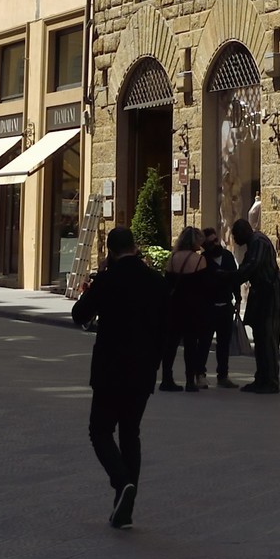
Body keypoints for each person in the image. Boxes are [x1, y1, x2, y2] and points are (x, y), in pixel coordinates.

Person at [72, 226, 167, 529]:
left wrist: (92, 284)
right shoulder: (155, 281)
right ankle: (125, 507)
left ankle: (121, 481)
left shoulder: (108, 280)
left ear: (111, 251)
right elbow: (168, 326)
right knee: (130, 433)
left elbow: (79, 315)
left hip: (110, 369)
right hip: (142, 370)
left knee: (99, 431)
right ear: (136, 247)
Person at [231, 216, 280, 394]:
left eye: (235, 236)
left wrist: (231, 278)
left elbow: (251, 266)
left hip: (269, 296)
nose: (236, 241)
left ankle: (270, 381)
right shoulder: (254, 242)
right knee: (261, 338)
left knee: (268, 339)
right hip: (261, 295)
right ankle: (261, 378)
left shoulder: (258, 242)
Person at [165, 227, 212, 390]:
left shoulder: (172, 259)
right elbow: (205, 287)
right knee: (191, 344)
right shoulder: (199, 260)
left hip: (174, 306)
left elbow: (167, 284)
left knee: (171, 344)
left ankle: (167, 378)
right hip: (193, 307)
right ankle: (190, 381)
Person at [201, 225, 240, 387]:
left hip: (226, 307)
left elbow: (235, 279)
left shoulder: (228, 256)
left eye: (216, 240)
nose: (215, 244)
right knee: (204, 342)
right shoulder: (202, 260)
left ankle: (223, 375)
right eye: (211, 243)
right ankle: (200, 374)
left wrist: (238, 299)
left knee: (224, 344)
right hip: (208, 307)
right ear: (205, 246)